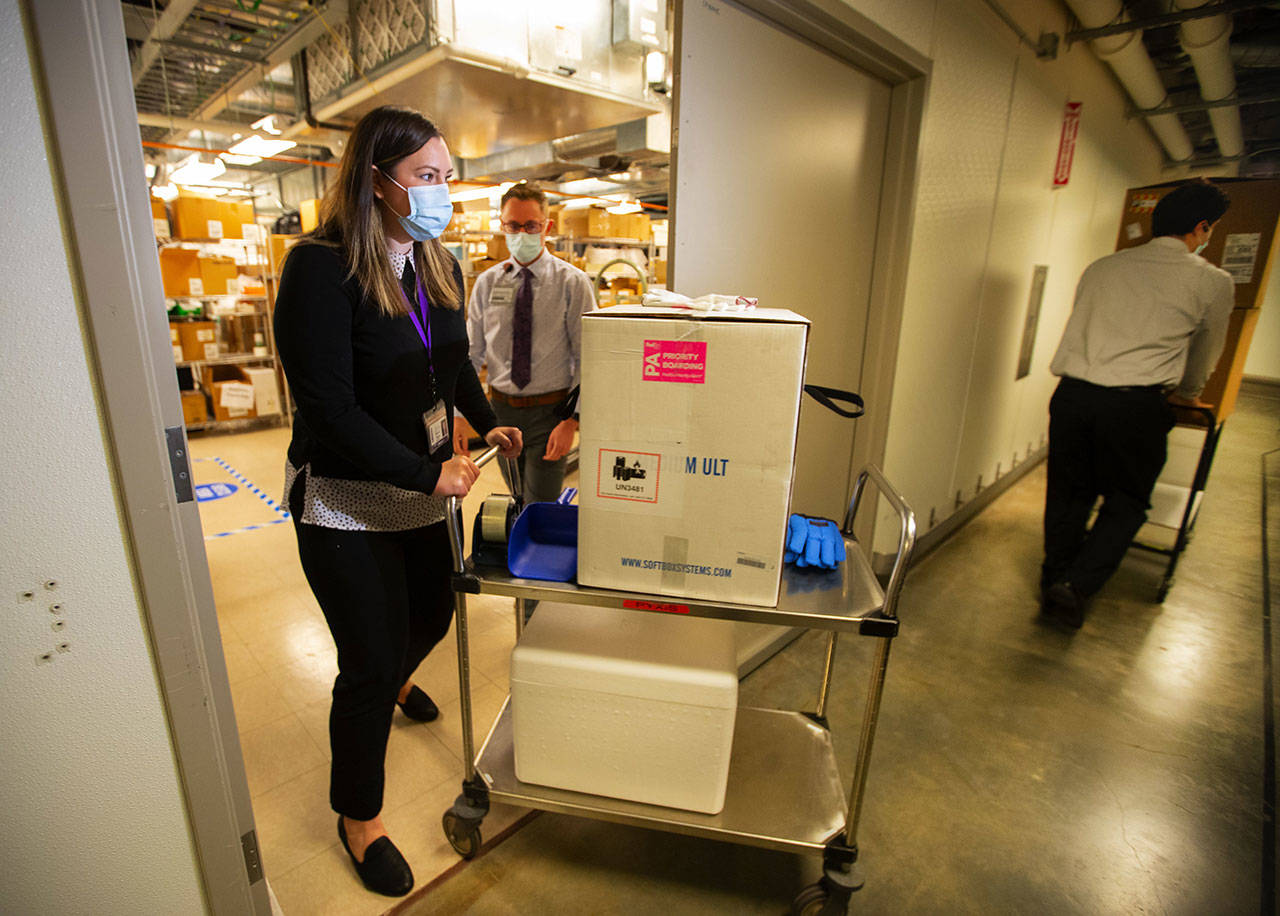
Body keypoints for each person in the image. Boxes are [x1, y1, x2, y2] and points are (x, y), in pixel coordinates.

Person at [273, 105, 522, 897]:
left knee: (435, 612)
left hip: (419, 485)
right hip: (346, 496)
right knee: (369, 660)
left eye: (446, 176)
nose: (440, 191)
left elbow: (452, 363)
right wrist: (425, 475)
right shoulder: (320, 269)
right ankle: (360, 817)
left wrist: (487, 420)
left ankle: (396, 682)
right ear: (376, 180)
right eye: (424, 176)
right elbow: (329, 411)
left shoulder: (435, 262)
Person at [1040, 179, 1233, 628]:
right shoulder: (1211, 281)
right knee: (1126, 500)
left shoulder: (1103, 267)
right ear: (1201, 228)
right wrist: (1189, 393)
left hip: (1072, 397)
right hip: (1134, 406)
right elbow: (1206, 349)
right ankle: (1075, 586)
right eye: (1210, 230)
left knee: (1069, 495)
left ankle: (1053, 578)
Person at [463, 184, 594, 502]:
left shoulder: (572, 283)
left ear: (547, 227)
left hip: (550, 413)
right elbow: (471, 353)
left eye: (531, 225)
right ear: (502, 226)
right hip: (499, 411)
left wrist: (571, 420)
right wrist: (459, 414)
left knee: (539, 504)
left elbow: (588, 357)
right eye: (513, 225)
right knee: (517, 498)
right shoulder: (487, 283)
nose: (522, 233)